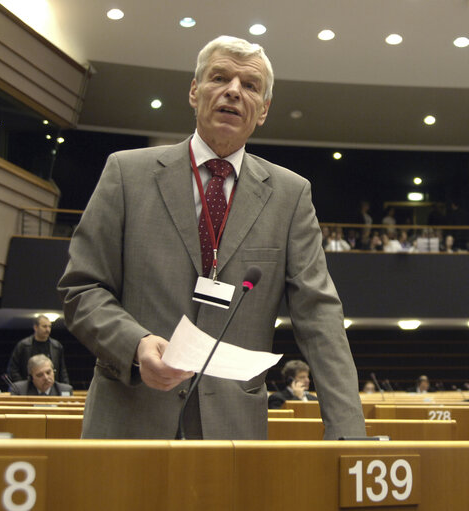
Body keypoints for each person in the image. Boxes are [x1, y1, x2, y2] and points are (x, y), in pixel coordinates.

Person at [57, 35, 365, 440]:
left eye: (250, 86)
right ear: (194, 91)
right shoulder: (126, 173)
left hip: (232, 427)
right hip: (129, 421)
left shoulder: (291, 196)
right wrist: (136, 345)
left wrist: (348, 434)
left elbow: (320, 317)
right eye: (220, 77)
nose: (234, 91)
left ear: (264, 110)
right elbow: (83, 288)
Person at [6, 315, 69, 384]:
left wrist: (65, 388)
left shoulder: (56, 346)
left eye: (49, 327)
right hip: (28, 387)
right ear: (35, 327)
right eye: (44, 326)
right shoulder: (23, 345)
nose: (48, 329)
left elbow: (62, 371)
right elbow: (13, 369)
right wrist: (23, 385)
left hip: (51, 387)